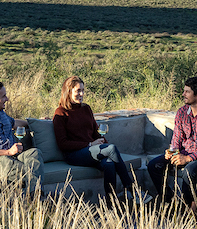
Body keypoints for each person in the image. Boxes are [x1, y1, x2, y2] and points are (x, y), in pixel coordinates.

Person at [52, 76, 151, 204]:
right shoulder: (60, 113)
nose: (81, 94)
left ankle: (111, 204)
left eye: (83, 90)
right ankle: (133, 190)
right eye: (78, 91)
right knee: (111, 149)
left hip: (91, 150)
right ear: (68, 91)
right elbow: (62, 144)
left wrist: (101, 142)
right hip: (74, 154)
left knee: (109, 163)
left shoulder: (86, 109)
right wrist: (89, 144)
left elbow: (96, 132)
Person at [147, 76, 197, 211]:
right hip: (183, 153)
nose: (183, 94)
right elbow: (177, 136)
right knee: (154, 165)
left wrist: (188, 158)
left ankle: (187, 207)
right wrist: (172, 151)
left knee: (189, 171)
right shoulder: (182, 112)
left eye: (187, 92)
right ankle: (171, 203)